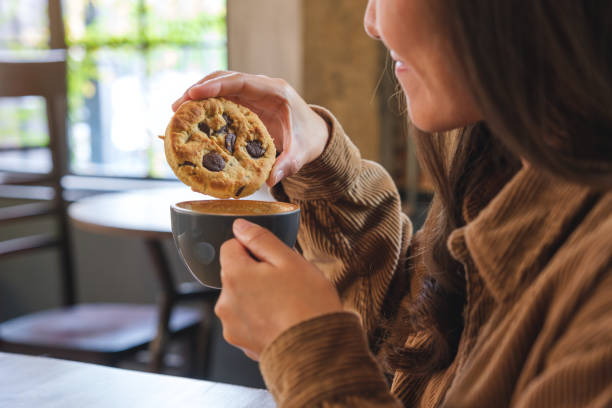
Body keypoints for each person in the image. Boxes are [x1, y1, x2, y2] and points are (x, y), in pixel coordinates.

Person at [172, 0, 612, 406]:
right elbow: (413, 339)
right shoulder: (499, 166)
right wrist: (324, 165)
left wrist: (309, 354)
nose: (371, 24)